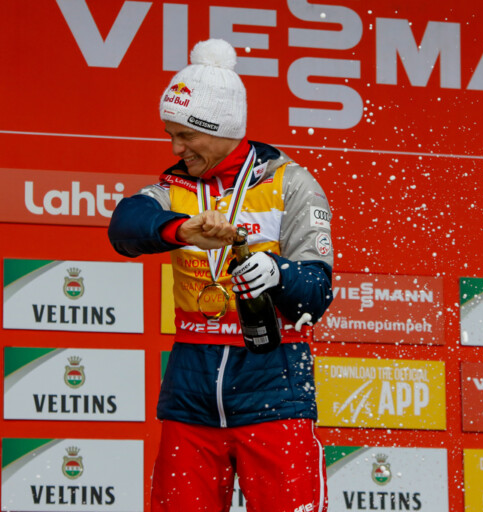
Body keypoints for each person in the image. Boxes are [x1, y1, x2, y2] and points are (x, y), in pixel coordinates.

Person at [108, 39, 333, 512]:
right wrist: (180, 229)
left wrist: (276, 271)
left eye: (185, 135)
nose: (176, 147)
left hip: (275, 387)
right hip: (191, 388)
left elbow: (316, 295)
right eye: (170, 134)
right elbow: (124, 227)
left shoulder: (291, 183)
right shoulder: (175, 187)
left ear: (220, 128)